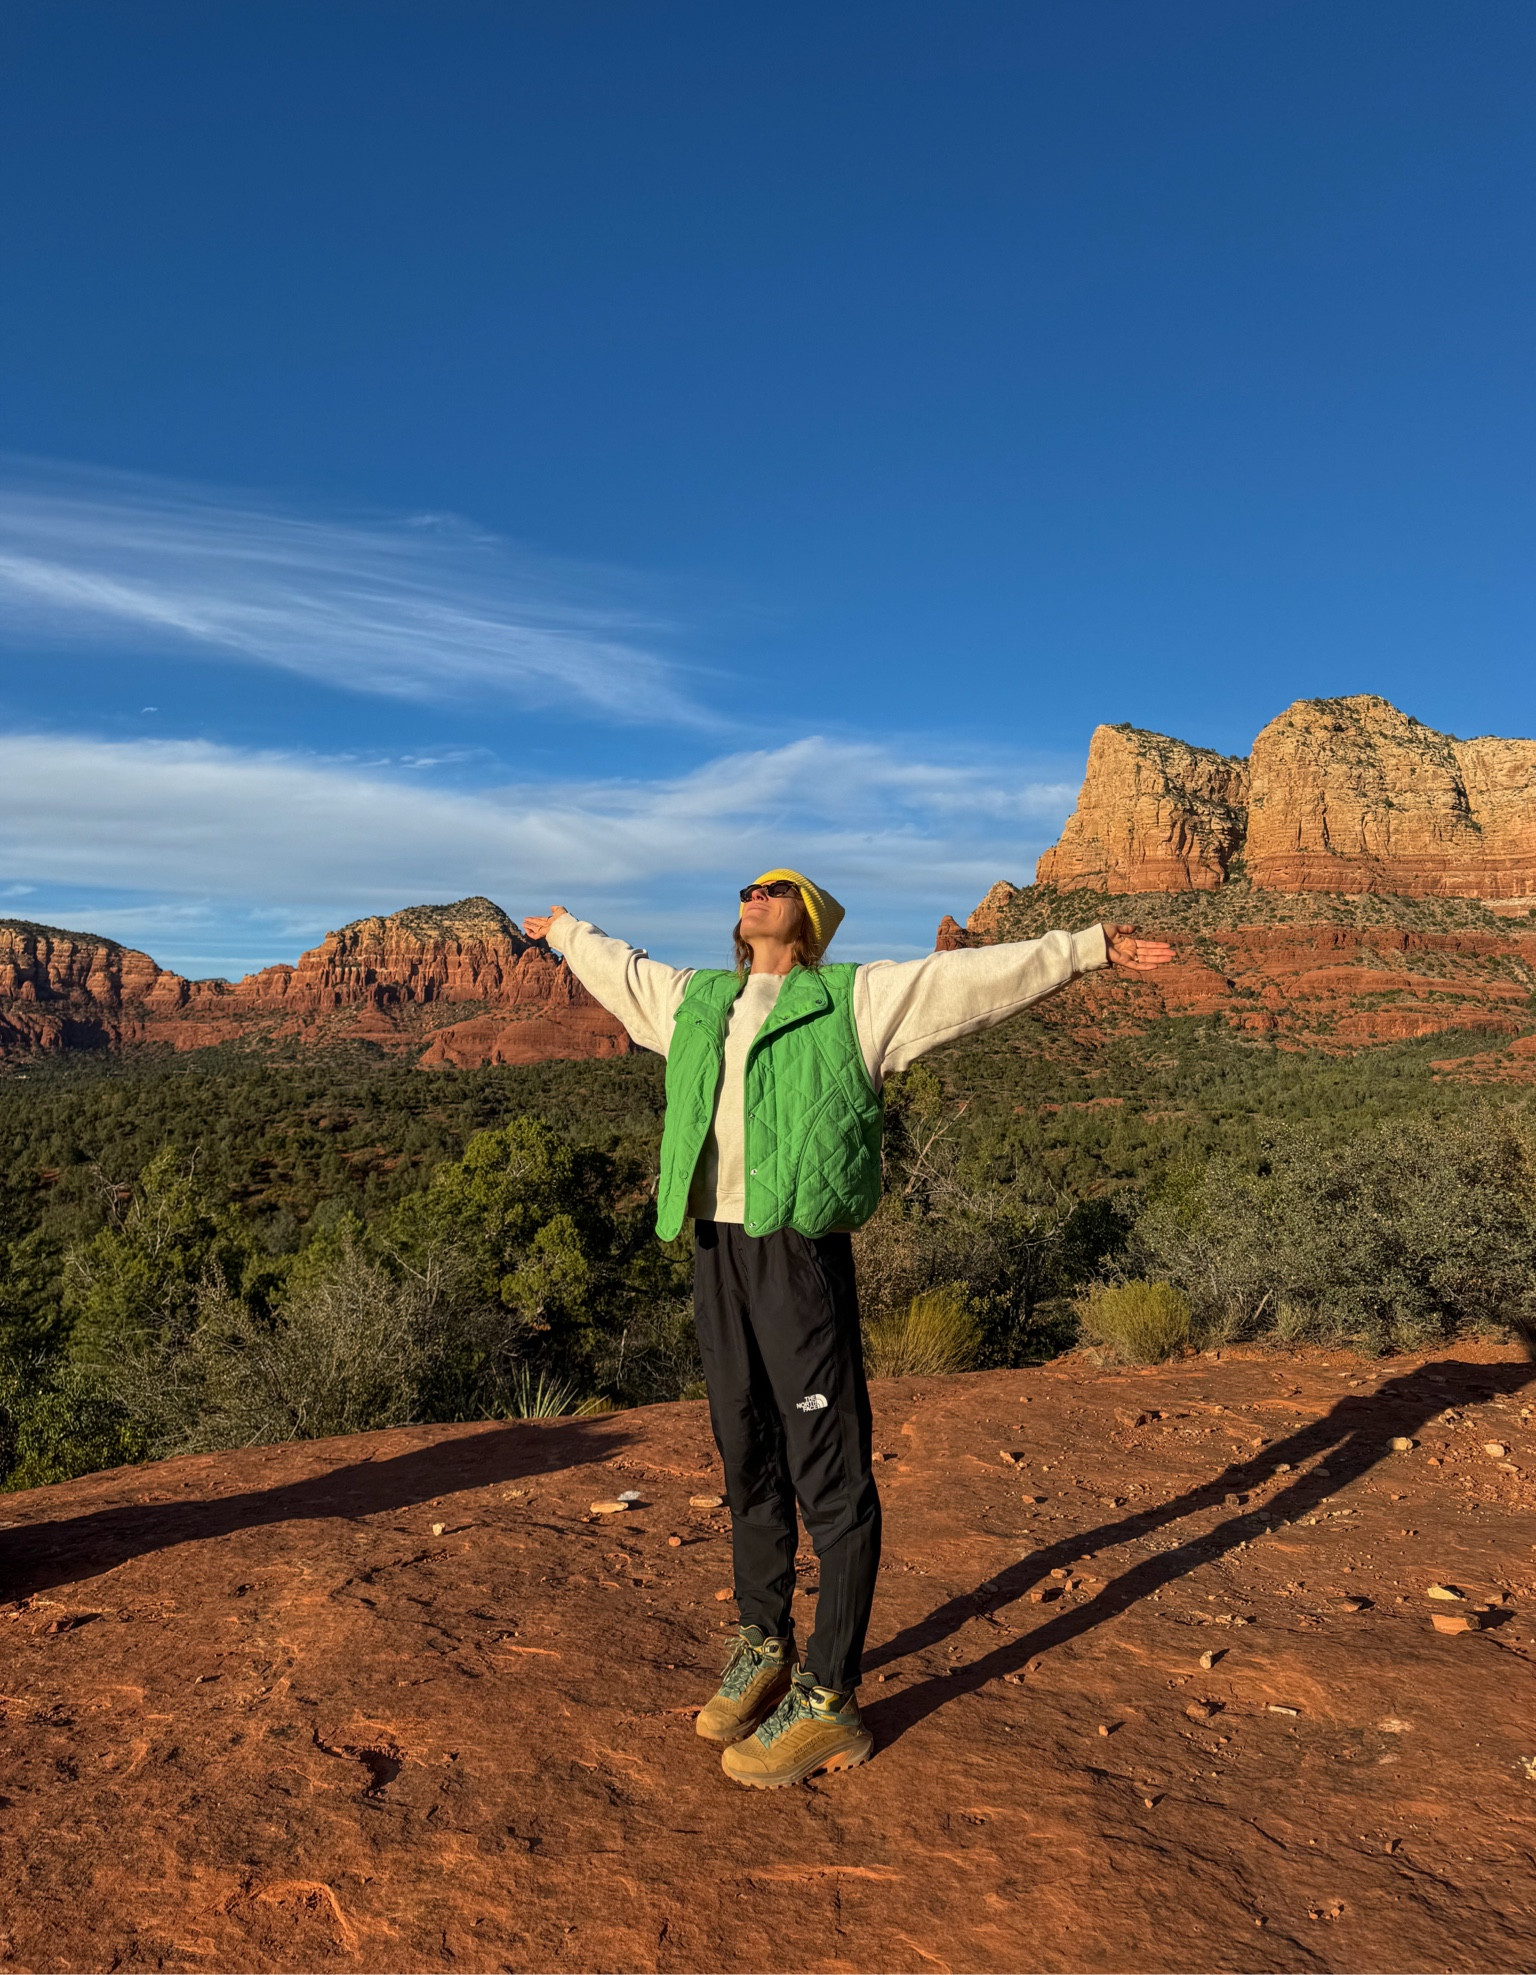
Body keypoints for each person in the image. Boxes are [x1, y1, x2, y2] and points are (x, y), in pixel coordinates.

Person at [523, 874, 1173, 1788]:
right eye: (747, 887)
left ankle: (831, 1697)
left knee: (827, 1470)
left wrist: (1084, 946)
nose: (755, 895)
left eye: (777, 888)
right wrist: (565, 932)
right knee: (744, 1453)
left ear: (811, 921)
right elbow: (620, 969)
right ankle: (764, 1643)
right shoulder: (696, 1000)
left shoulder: (854, 1000)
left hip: (798, 1256)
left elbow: (975, 981)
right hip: (715, 1245)